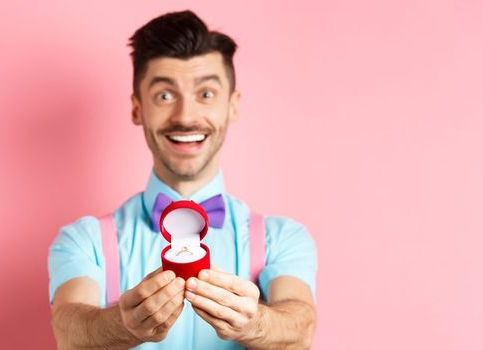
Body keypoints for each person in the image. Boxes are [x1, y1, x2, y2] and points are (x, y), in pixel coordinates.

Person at [48, 10, 317, 349]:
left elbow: (301, 329)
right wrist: (123, 325)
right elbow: (68, 331)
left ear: (232, 106)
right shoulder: (83, 241)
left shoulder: (283, 238)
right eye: (164, 95)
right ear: (137, 108)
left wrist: (255, 323)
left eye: (206, 94)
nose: (186, 116)